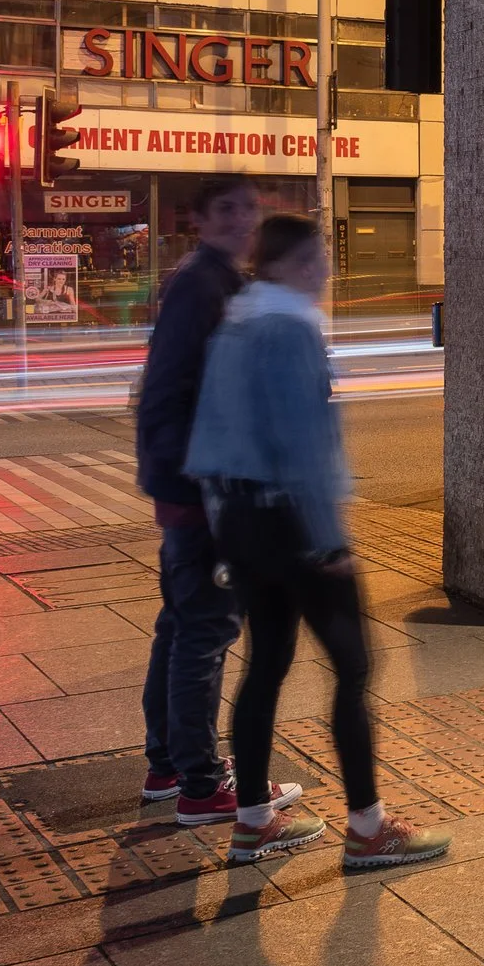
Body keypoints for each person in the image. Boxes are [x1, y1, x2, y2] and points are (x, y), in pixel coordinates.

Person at [186, 213, 449, 870]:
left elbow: (209, 433)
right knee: (355, 667)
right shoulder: (293, 327)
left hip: (244, 522)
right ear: (293, 263)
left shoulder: (237, 321)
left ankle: (252, 821)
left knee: (266, 662)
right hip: (295, 525)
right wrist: (329, 542)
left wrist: (225, 526)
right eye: (319, 258)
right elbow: (304, 444)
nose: (327, 269)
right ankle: (368, 826)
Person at [135, 177, 300, 825]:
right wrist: (193, 487)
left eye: (249, 208)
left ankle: (169, 764)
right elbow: (168, 392)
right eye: (225, 208)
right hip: (204, 490)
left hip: (194, 483)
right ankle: (202, 784)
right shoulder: (204, 284)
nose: (241, 219)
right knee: (206, 630)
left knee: (181, 625)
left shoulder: (214, 280)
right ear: (198, 217)